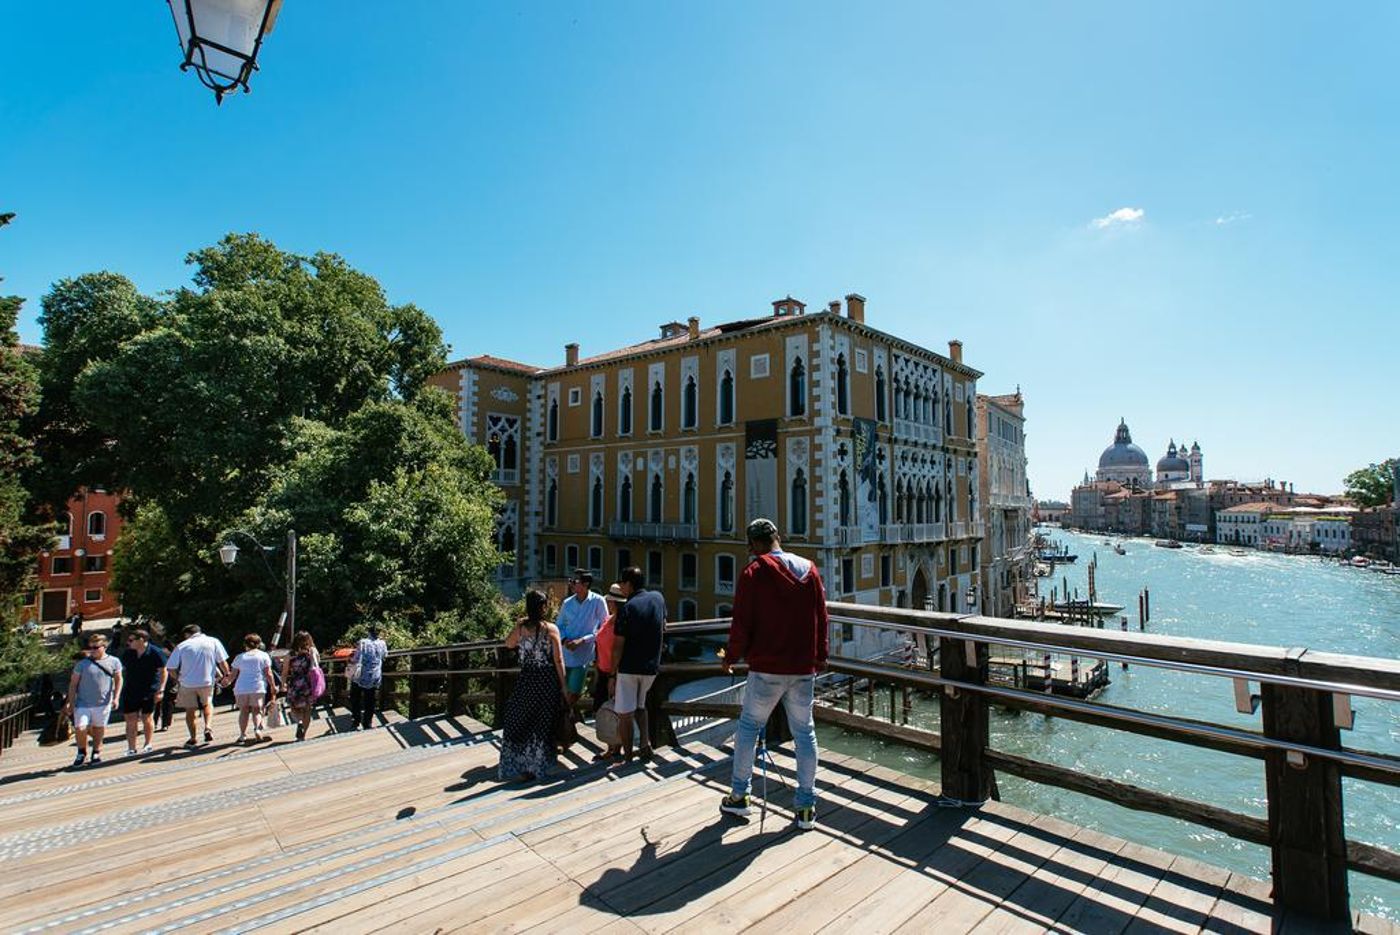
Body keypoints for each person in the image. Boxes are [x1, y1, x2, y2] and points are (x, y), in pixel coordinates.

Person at [720, 518, 828, 830]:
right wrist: (819, 657)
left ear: (752, 545)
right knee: (804, 733)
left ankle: (739, 797)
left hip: (767, 667)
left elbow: (742, 621)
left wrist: (730, 656)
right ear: (777, 537)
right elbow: (822, 615)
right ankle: (806, 807)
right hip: (803, 667)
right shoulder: (810, 569)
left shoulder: (753, 572)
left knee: (749, 728)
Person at [499, 589, 566, 782]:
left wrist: (519, 626)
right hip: (546, 681)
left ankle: (518, 765)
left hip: (526, 679)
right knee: (541, 724)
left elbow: (509, 644)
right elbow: (558, 660)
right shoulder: (551, 629)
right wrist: (564, 686)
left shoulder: (521, 627)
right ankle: (538, 766)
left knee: (519, 719)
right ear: (543, 607)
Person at [610, 566, 666, 764]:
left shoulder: (627, 608)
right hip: (651, 666)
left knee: (625, 713)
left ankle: (627, 757)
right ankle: (644, 744)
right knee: (641, 706)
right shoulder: (658, 598)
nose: (621, 588)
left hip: (629, 667)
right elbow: (664, 625)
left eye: (622, 584)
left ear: (628, 584)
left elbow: (618, 645)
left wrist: (611, 673)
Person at [165, 624, 231, 748]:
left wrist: (178, 678)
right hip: (207, 681)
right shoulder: (213, 641)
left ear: (187, 634)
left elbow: (170, 668)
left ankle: (193, 738)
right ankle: (208, 727)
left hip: (187, 683)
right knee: (207, 704)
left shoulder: (182, 646)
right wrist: (227, 675)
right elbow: (222, 662)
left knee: (190, 711)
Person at [63, 633, 123, 767]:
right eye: (91, 648)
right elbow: (73, 684)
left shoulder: (114, 661)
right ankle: (81, 752)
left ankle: (96, 751)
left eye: (96, 647)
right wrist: (70, 703)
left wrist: (117, 697)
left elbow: (119, 679)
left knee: (98, 728)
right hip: (83, 702)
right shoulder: (82, 664)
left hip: (103, 702)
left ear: (104, 647)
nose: (93, 650)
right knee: (80, 727)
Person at [556, 569, 608, 715]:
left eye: (575, 581)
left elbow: (604, 627)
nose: (571, 584)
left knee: (575, 693)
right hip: (565, 653)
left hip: (583, 655)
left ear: (585, 584)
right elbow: (559, 625)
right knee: (563, 691)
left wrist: (584, 640)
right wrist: (565, 640)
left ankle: (563, 720)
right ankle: (564, 722)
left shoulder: (598, 601)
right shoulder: (567, 603)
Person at [589, 583, 626, 762]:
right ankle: (611, 746)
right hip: (602, 670)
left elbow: (619, 650)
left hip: (613, 672)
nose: (608, 603)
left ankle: (615, 747)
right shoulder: (608, 620)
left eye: (610, 600)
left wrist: (613, 675)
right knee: (601, 707)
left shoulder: (621, 624)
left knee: (613, 710)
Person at [118, 628, 168, 755]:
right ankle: (131, 747)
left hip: (149, 690)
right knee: (130, 718)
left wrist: (161, 689)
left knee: (147, 717)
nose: (129, 643)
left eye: (131, 640)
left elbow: (164, 671)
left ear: (141, 640)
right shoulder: (128, 653)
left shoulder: (156, 652)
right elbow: (121, 671)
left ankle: (148, 743)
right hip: (131, 689)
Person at [228, 634, 276, 743]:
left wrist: (227, 682)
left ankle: (242, 735)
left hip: (241, 688)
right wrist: (273, 686)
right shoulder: (263, 655)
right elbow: (268, 673)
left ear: (245, 644)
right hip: (257, 687)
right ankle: (257, 729)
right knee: (257, 710)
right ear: (259, 644)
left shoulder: (240, 657)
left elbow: (233, 675)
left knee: (243, 711)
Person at [281, 631, 322, 741]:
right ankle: (303, 734)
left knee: (294, 707)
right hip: (308, 683)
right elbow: (318, 663)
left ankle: (299, 722)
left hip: (295, 683)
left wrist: (283, 684)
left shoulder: (289, 655)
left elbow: (284, 672)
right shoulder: (312, 651)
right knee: (307, 709)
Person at [349, 625, 388, 731]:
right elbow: (384, 656)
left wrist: (350, 661)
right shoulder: (382, 643)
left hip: (360, 674)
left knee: (355, 697)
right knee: (370, 699)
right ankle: (367, 723)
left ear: (368, 632)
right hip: (374, 675)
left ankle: (356, 720)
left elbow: (356, 658)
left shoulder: (363, 642)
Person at [157, 638, 178, 732]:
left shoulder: (159, 654)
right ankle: (165, 723)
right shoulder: (176, 655)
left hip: (160, 680)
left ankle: (156, 721)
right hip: (171, 680)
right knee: (168, 703)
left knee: (158, 703)